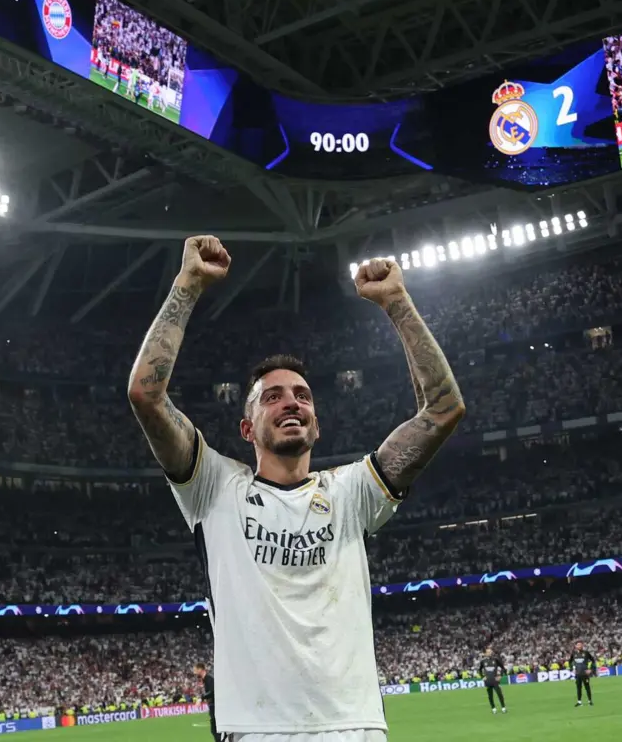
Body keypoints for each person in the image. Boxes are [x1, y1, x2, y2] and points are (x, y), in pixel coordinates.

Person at [127, 237, 465, 742]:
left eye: (303, 397)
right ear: (247, 429)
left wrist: (398, 302)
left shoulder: (351, 492)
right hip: (257, 730)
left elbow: (442, 410)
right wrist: (188, 284)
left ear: (316, 424)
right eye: (273, 397)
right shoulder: (213, 487)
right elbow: (146, 395)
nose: (292, 403)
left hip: (354, 728)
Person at [478, 648, 507, 715]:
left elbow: (503, 668)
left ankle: (503, 707)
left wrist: (500, 675)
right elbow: (479, 670)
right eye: (488, 652)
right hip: (487, 681)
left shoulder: (496, 660)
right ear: (485, 653)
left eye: (490, 652)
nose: (490, 653)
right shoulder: (483, 661)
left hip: (495, 680)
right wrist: (482, 677)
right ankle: (493, 708)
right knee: (490, 695)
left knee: (499, 694)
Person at [195, 663, 220, 742]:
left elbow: (213, 691)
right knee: (215, 730)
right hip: (213, 707)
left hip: (215, 707)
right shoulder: (206, 680)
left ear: (200, 670)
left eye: (195, 670)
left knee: (215, 730)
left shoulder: (209, 679)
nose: (194, 672)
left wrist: (201, 698)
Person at [569, 642, 596, 707]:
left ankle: (590, 701)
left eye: (580, 645)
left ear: (582, 646)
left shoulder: (586, 653)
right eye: (578, 645)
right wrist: (572, 669)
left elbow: (593, 660)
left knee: (587, 687)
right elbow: (570, 661)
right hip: (578, 674)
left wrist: (591, 669)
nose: (579, 646)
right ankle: (579, 702)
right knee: (578, 688)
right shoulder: (574, 654)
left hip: (585, 673)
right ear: (576, 646)